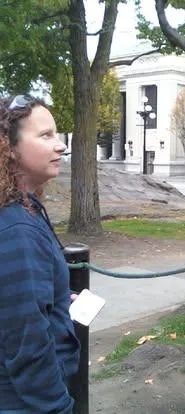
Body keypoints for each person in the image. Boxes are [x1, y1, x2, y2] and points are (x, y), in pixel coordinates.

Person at [0, 95, 80, 413]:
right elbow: (27, 342)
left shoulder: (25, 210)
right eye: (45, 136)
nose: (60, 146)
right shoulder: (17, 228)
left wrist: (56, 301)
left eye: (57, 135)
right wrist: (57, 406)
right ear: (9, 148)